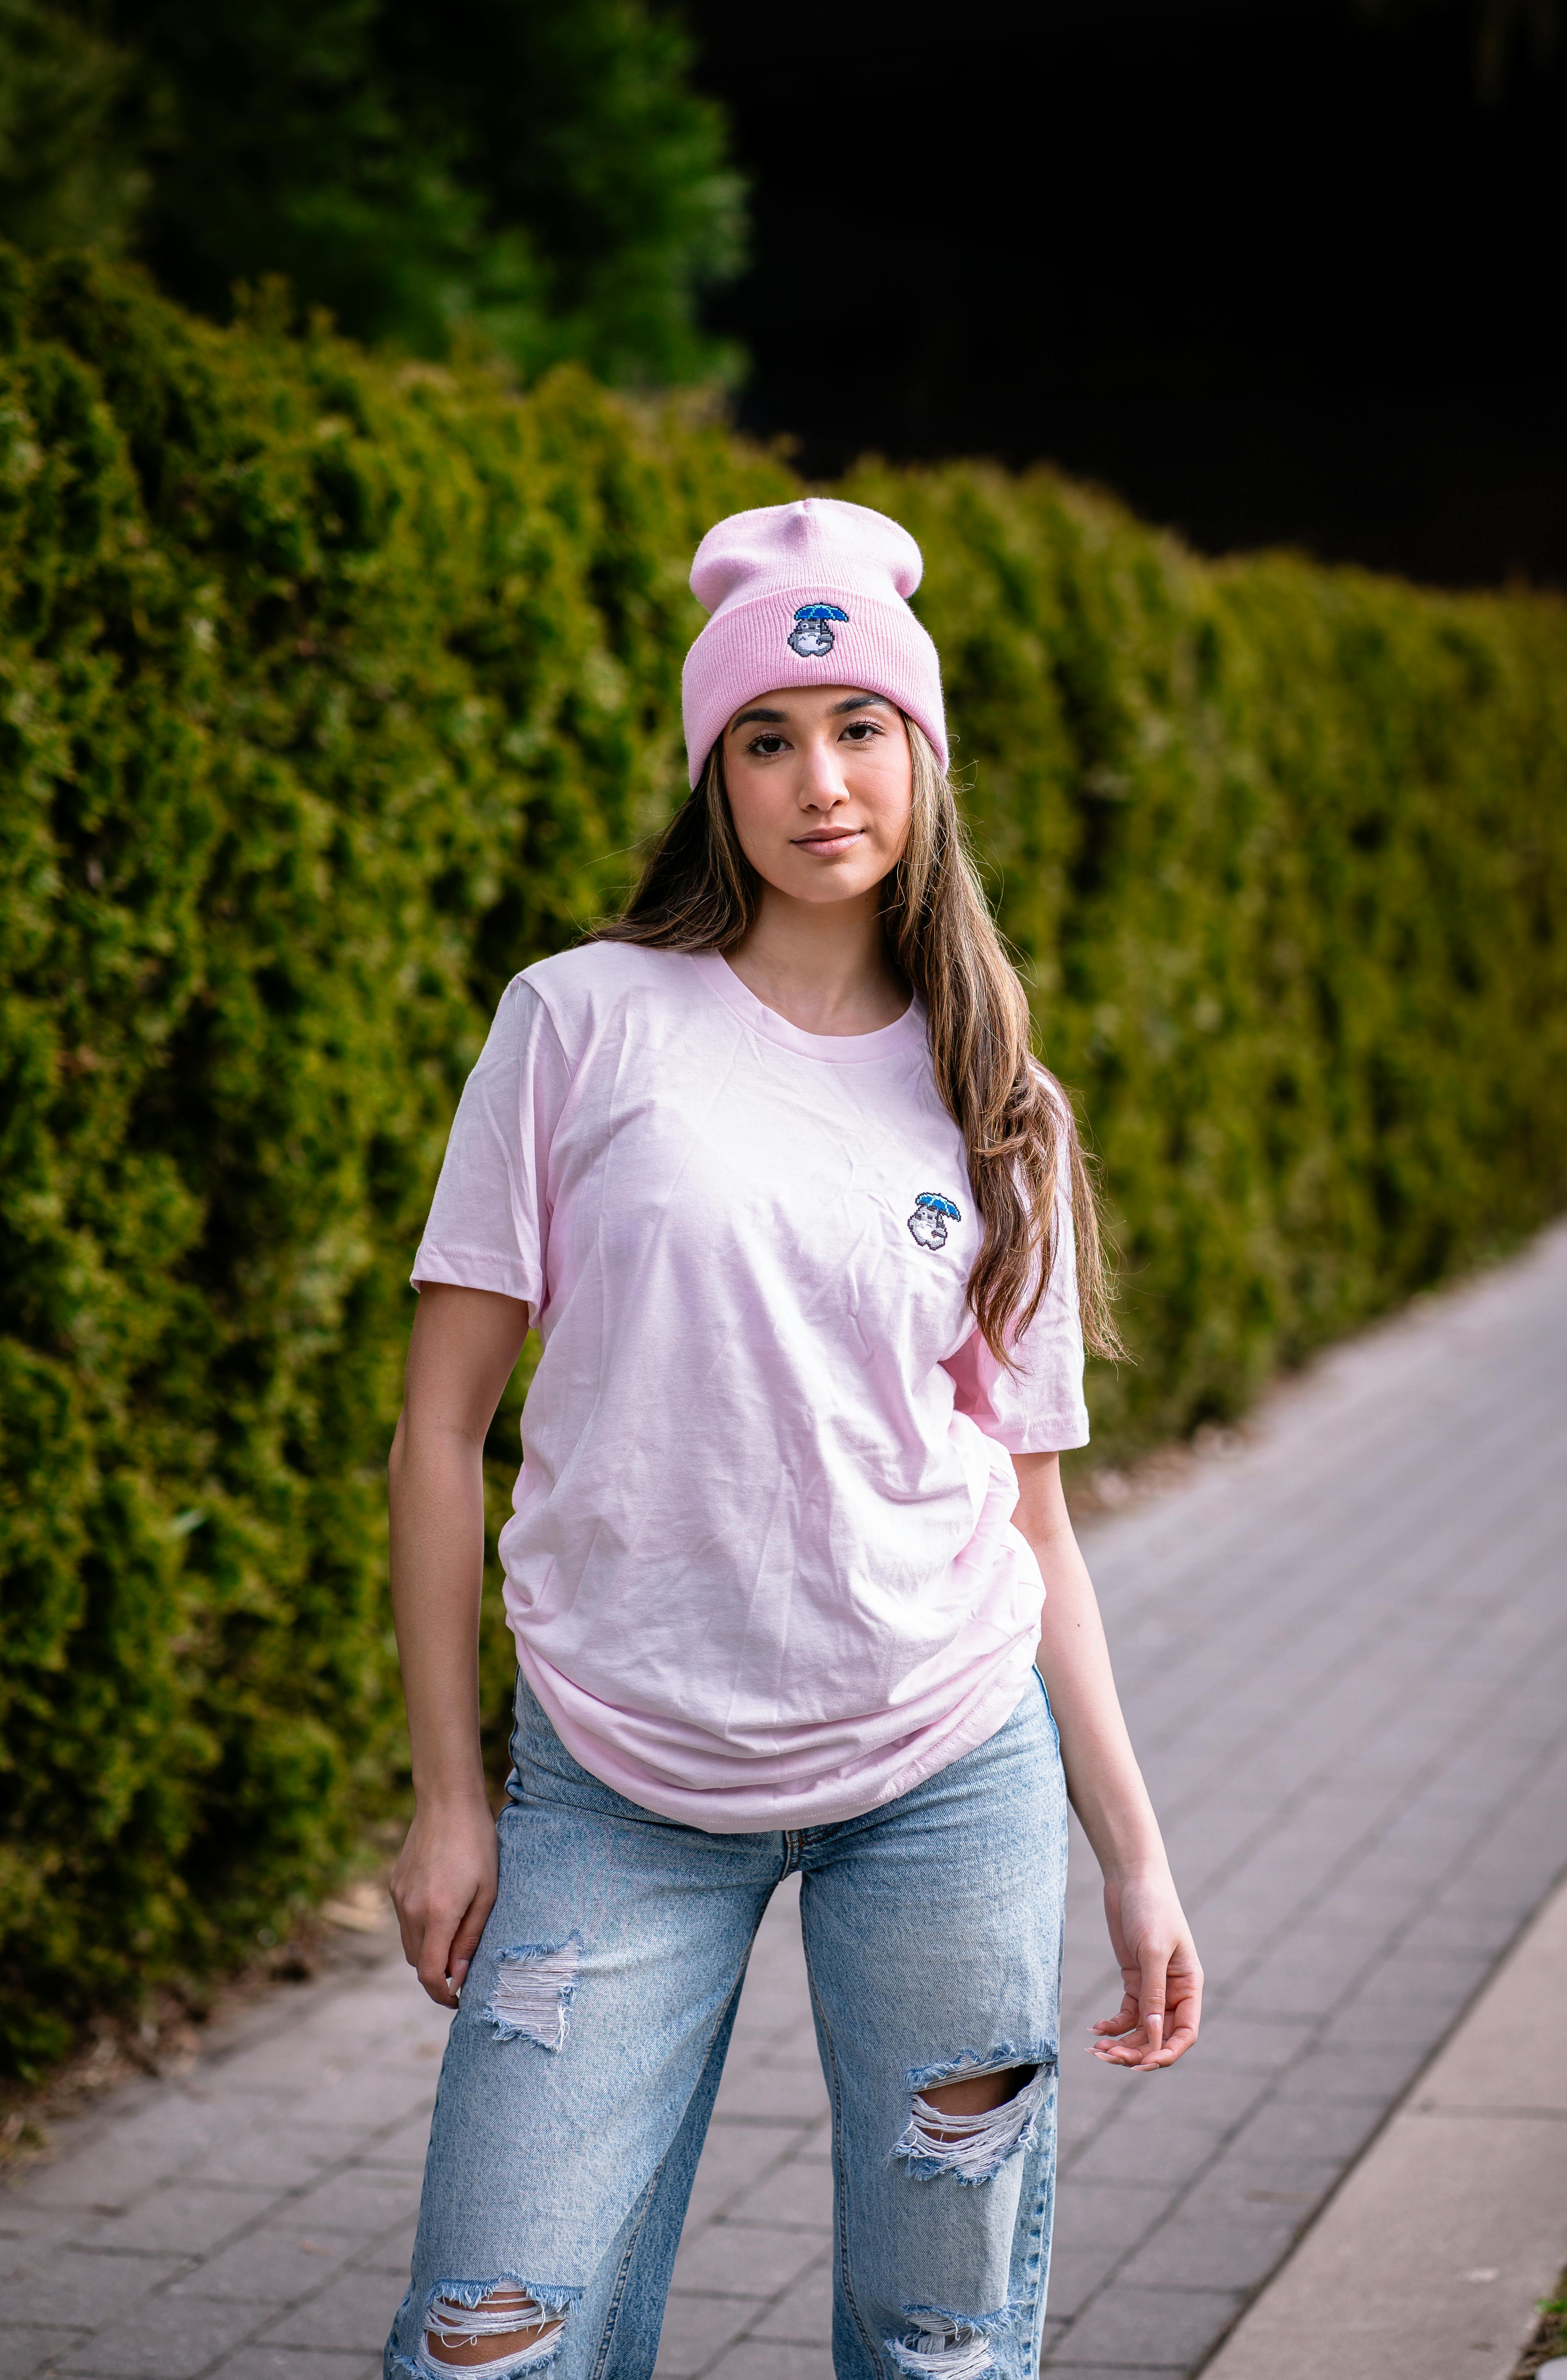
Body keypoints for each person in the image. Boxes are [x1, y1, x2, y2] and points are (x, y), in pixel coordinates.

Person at [382, 498, 1202, 2380]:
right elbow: (441, 1434)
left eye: (855, 729)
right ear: (712, 773)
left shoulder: (1002, 1105)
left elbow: (1033, 1532)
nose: (814, 778)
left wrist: (1136, 1859)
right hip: (613, 1781)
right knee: (485, 2333)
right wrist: (446, 1793)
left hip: (943, 1776)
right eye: (764, 735)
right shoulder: (578, 1024)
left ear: (921, 755)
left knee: (938, 2341)